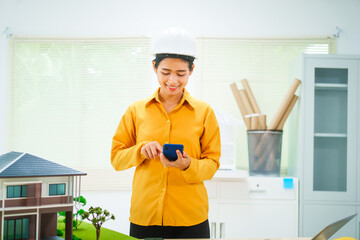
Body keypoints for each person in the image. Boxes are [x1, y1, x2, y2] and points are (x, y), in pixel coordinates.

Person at [111, 27, 221, 239]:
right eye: (165, 72)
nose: (173, 80)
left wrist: (188, 165)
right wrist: (141, 150)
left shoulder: (204, 112)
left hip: (190, 218)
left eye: (181, 74)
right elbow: (116, 159)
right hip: (146, 216)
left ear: (192, 70)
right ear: (154, 67)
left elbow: (212, 163)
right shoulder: (136, 110)